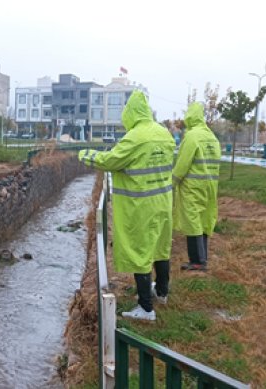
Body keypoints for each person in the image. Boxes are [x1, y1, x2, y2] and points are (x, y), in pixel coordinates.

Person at [79, 91, 175, 321]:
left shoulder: (135, 137)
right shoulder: (163, 133)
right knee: (160, 248)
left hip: (140, 204)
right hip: (162, 201)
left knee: (140, 251)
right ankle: (161, 292)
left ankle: (146, 308)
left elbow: (111, 160)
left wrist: (86, 155)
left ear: (130, 113)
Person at [173, 103, 221, 271]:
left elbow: (183, 164)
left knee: (192, 221)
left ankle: (197, 261)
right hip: (210, 186)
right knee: (204, 220)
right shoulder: (212, 137)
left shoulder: (192, 136)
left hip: (193, 186)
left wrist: (172, 182)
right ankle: (203, 257)